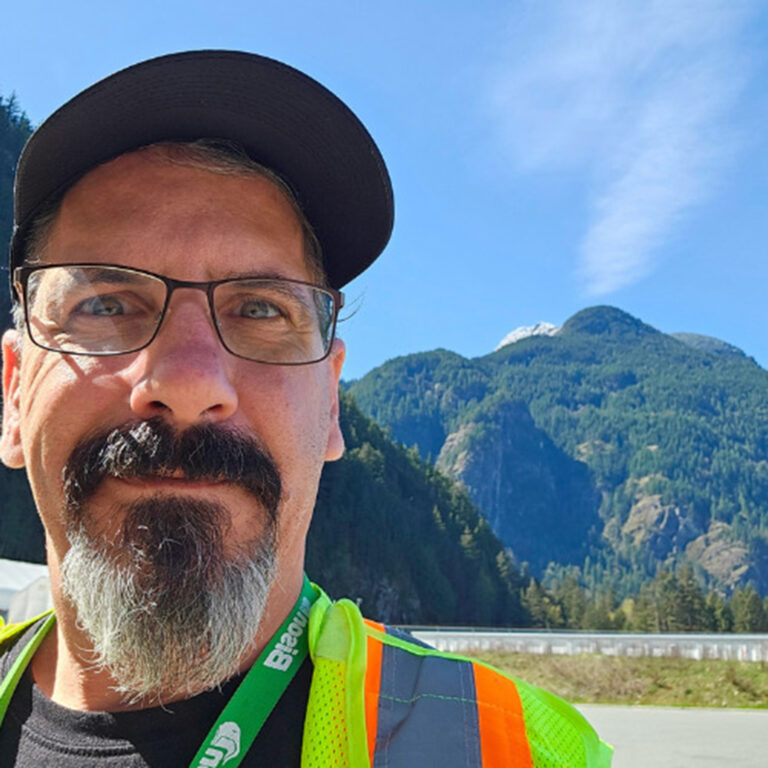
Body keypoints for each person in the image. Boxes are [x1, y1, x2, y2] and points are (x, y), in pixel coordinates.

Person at [0, 51, 612, 767]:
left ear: (331, 404)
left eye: (261, 308)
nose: (190, 382)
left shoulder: (515, 749)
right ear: (14, 393)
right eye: (105, 304)